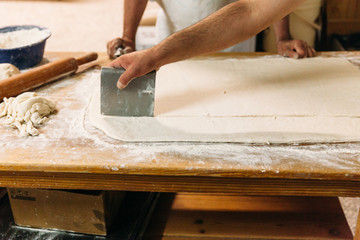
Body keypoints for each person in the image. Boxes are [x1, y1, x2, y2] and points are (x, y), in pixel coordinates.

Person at [108, 0, 313, 89]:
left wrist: (282, 36)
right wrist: (130, 39)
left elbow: (253, 12)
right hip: (170, 44)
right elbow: (250, 12)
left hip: (234, 48)